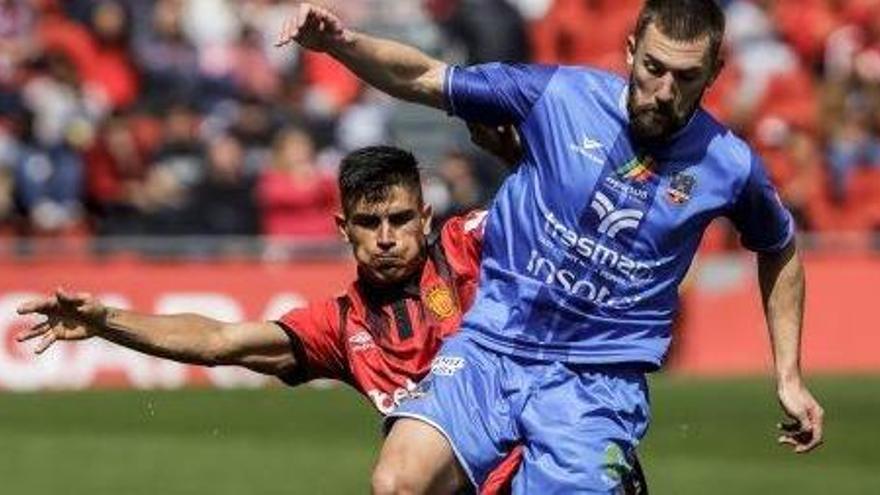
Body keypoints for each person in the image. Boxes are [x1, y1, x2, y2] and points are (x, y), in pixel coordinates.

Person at [275, 1, 825, 493]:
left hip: (596, 382)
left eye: (686, 77)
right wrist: (342, 45)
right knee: (398, 483)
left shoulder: (729, 165)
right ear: (631, 51)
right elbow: (424, 76)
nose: (663, 90)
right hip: (492, 346)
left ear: (714, 74)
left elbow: (779, 247)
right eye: (653, 68)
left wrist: (788, 376)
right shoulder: (558, 95)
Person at [14, 144, 648, 495]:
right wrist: (105, 321)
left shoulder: (471, 247)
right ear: (344, 229)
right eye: (369, 224)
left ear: (424, 218)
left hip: (555, 464)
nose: (387, 238)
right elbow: (217, 341)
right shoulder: (339, 326)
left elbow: (559, 218)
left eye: (400, 219)